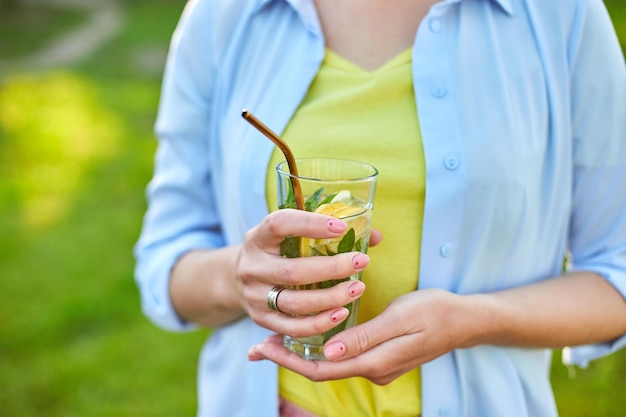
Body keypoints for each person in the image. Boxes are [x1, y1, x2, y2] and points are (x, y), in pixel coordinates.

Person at [134, 0, 626, 416]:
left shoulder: (560, 13)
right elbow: (164, 262)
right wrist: (239, 274)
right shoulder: (224, 13)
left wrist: (474, 319)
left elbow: (616, 271)